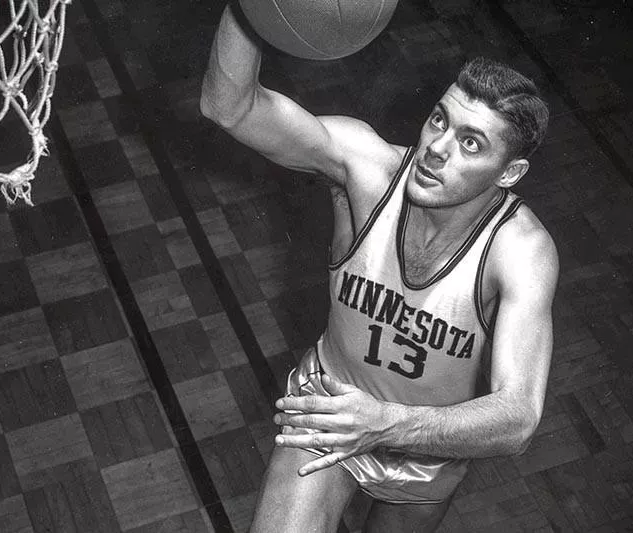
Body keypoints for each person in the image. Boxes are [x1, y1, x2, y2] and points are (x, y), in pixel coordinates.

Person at [200, 4, 558, 532]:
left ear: (510, 173)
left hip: (426, 448)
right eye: (440, 119)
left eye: (471, 143)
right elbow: (228, 107)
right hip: (330, 410)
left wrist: (388, 424)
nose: (436, 148)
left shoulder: (520, 251)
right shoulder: (365, 168)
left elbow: (519, 417)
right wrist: (251, 7)